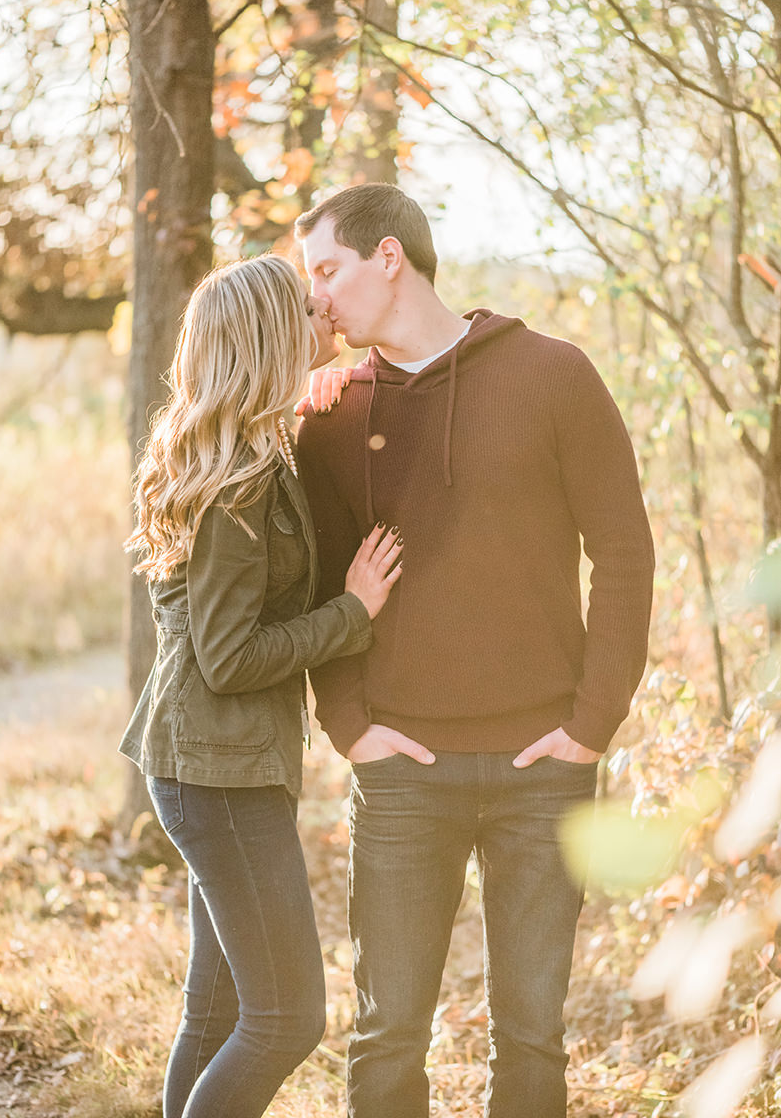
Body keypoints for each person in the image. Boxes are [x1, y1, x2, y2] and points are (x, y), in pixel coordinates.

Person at [294, 184, 655, 1118]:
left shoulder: (552, 374)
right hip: (402, 769)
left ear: (389, 257)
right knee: (386, 1035)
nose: (317, 298)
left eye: (327, 270)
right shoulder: (329, 413)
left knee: (530, 1037)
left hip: (545, 766)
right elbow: (317, 585)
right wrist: (351, 728)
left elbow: (622, 549)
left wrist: (590, 726)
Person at [118, 255, 403, 1118]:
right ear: (271, 338)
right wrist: (353, 612)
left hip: (208, 764)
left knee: (218, 1012)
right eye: (310, 313)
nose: (328, 318)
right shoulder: (239, 481)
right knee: (285, 1019)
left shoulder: (246, 452)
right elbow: (230, 657)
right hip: (219, 774)